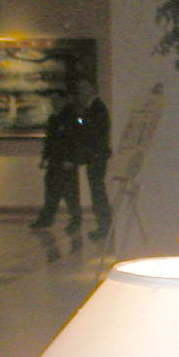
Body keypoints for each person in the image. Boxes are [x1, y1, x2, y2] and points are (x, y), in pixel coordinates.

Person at [28, 87, 80, 233]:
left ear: (63, 100)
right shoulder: (54, 118)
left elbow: (74, 140)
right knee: (51, 191)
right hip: (55, 160)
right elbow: (50, 141)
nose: (53, 102)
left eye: (56, 99)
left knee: (70, 193)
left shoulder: (71, 116)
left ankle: (75, 220)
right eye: (52, 100)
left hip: (66, 162)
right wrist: (45, 157)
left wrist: (70, 159)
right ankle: (46, 219)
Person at [69, 78, 112, 241]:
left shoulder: (97, 108)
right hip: (93, 156)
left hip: (96, 155)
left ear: (93, 88)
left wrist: (81, 121)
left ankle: (104, 226)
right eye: (80, 87)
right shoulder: (90, 108)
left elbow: (92, 131)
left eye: (85, 87)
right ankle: (103, 225)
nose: (82, 91)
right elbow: (83, 125)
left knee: (98, 191)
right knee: (96, 190)